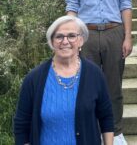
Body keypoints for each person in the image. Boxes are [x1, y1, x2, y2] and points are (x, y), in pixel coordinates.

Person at [66, 0, 132, 144]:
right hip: (87, 34)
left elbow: (125, 4)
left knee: (114, 85)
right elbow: (72, 6)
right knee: (87, 84)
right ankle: (92, 129)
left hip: (114, 32)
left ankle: (115, 131)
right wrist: (72, 36)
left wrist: (128, 36)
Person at [14, 15, 114, 145]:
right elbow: (21, 124)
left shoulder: (95, 74)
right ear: (52, 42)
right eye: (59, 36)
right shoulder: (34, 79)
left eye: (72, 36)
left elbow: (106, 117)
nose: (65, 41)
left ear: (81, 40)